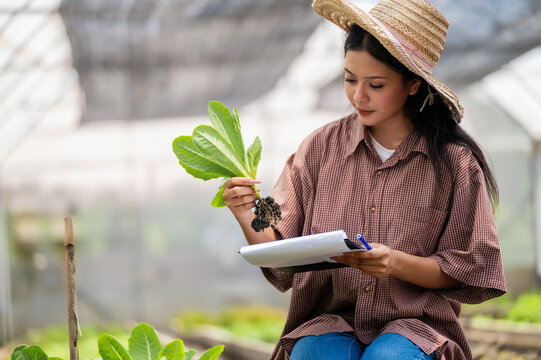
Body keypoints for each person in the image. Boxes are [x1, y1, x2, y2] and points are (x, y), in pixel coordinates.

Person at [222, 0, 506, 359]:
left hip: (413, 326)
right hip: (327, 320)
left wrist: (395, 263)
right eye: (349, 79)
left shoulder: (454, 164)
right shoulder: (319, 148)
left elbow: (468, 268)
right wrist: (247, 214)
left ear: (413, 85)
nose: (358, 96)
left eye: (375, 84)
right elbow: (278, 249)